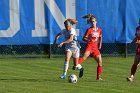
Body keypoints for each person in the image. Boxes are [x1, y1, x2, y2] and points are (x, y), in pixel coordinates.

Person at [78, 15, 103, 80]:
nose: (93, 23)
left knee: (100, 63)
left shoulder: (99, 30)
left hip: (95, 49)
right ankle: (76, 65)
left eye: (94, 21)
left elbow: (100, 37)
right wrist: (89, 40)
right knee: (84, 57)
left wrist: (100, 44)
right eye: (91, 22)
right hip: (89, 46)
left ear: (96, 22)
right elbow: (83, 38)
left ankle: (98, 77)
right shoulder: (89, 30)